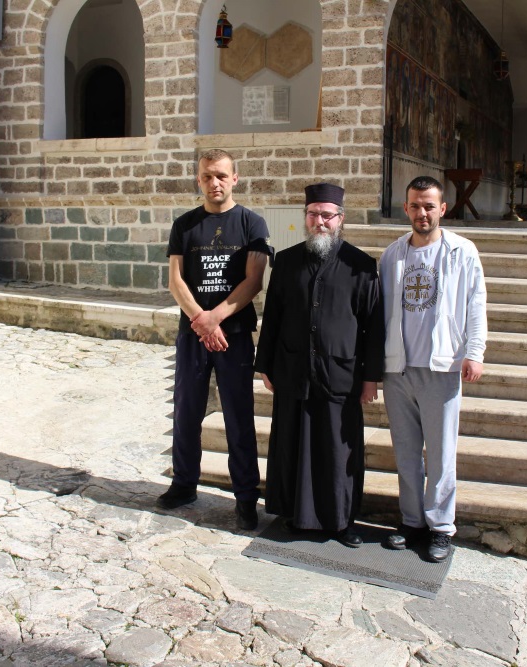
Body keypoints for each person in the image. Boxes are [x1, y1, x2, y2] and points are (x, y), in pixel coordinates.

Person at [254, 183, 384, 547]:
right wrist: (265, 364)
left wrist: (371, 378)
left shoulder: (361, 265)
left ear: (340, 219)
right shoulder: (288, 260)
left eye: (327, 215)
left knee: (337, 450)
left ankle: (342, 521)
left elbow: (374, 326)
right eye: (313, 214)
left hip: (340, 374)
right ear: (306, 218)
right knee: (294, 443)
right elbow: (273, 315)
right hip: (293, 369)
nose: (320, 221)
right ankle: (297, 515)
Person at [160, 148, 271, 531]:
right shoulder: (185, 225)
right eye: (207, 176)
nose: (214, 183)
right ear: (198, 179)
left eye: (221, 175)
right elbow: (176, 280)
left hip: (234, 335)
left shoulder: (252, 223)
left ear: (235, 178)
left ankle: (245, 498)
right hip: (194, 333)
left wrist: (216, 318)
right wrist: (200, 321)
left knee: (238, 416)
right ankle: (183, 483)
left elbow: (254, 280)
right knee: (186, 410)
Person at [379, 175, 487, 562]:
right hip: (399, 370)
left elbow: (476, 304)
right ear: (406, 208)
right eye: (415, 205)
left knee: (441, 454)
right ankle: (411, 521)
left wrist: (475, 352)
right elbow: (383, 313)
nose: (421, 212)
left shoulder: (462, 252)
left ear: (443, 209)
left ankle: (441, 527)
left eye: (429, 205)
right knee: (406, 451)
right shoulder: (392, 254)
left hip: (441, 367)